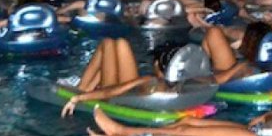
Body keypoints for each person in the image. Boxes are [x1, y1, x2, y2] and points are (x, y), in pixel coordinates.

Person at [85, 54, 272, 136]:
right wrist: (268, 117)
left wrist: (271, 121)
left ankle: (121, 133)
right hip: (256, 134)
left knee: (183, 133)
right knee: (189, 121)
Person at [59, 39, 192, 116]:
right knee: (121, 43)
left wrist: (78, 98)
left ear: (157, 64)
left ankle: (82, 87)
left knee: (107, 43)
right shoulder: (184, 83)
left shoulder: (149, 80)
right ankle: (88, 84)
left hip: (118, 98)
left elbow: (111, 91)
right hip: (134, 94)